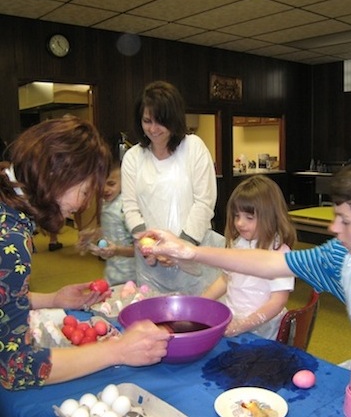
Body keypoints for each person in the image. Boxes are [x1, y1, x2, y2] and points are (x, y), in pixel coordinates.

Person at [139, 156, 351, 397]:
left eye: (345, 221)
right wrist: (190, 251)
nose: (333, 228)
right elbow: (268, 263)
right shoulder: (344, 258)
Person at [0, 116, 170, 391]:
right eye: (84, 191)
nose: (82, 205)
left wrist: (53, 299)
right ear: (59, 175)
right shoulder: (11, 240)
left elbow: (5, 300)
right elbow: (18, 368)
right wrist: (119, 351)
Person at [121, 80, 223, 295]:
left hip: (192, 253)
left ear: (174, 119)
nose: (153, 129)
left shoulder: (193, 148)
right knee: (155, 318)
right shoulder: (133, 157)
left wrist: (180, 247)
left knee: (197, 317)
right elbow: (130, 207)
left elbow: (204, 203)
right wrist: (146, 245)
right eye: (147, 121)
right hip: (150, 259)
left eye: (160, 121)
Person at [202, 175, 296, 339]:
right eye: (237, 216)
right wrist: (201, 301)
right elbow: (226, 279)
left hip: (264, 330)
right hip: (235, 320)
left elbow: (277, 301)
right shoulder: (238, 244)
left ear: (270, 217)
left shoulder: (279, 253)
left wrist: (243, 325)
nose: (239, 223)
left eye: (249, 217)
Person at [77, 161, 136, 286]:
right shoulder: (106, 203)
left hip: (131, 276)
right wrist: (94, 235)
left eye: (111, 184)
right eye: (100, 184)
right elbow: (114, 229)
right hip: (112, 272)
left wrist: (117, 251)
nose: (105, 189)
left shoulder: (127, 208)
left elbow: (141, 249)